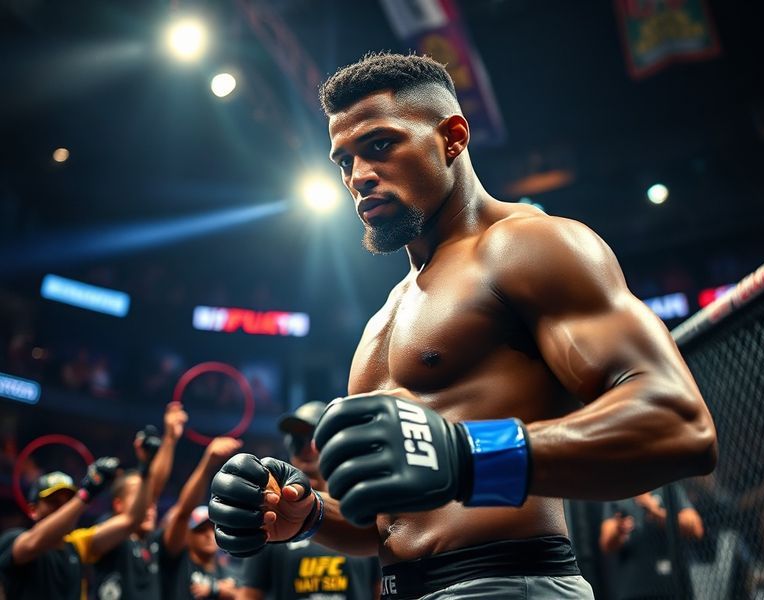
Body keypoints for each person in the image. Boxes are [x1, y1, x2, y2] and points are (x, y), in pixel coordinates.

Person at [208, 52, 718, 600]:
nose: (358, 177)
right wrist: (306, 515)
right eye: (344, 161)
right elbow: (388, 525)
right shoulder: (384, 318)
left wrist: (464, 454)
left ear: (452, 137)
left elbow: (680, 425)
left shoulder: (527, 246)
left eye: (380, 145)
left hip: (508, 583)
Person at [238, 401, 381, 600]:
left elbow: (380, 592)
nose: (306, 449)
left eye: (314, 438)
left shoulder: (363, 516)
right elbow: (249, 594)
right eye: (298, 440)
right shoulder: (273, 515)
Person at [0, 433, 154, 600]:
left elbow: (131, 520)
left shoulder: (77, 546)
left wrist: (145, 470)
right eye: (53, 502)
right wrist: (86, 494)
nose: (63, 509)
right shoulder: (13, 540)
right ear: (33, 510)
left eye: (68, 502)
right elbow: (33, 543)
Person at [91, 402, 188, 600]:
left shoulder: (153, 542)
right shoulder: (107, 530)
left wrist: (170, 437)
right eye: (138, 494)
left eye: (151, 501)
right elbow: (152, 491)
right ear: (118, 505)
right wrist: (168, 440)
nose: (149, 505)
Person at [160, 436, 242, 600]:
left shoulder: (230, 573)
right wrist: (208, 464)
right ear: (187, 535)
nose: (208, 535)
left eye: (213, 529)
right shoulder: (177, 564)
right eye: (199, 529)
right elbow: (183, 514)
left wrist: (218, 590)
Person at [599, 486, 704, 599]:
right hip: (634, 589)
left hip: (674, 585)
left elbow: (696, 529)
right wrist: (618, 529)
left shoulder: (668, 484)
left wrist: (658, 513)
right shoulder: (618, 490)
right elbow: (605, 544)